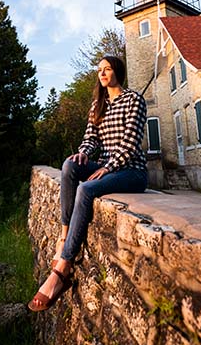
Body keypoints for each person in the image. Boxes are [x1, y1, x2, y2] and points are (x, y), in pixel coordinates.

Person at [28, 56, 148, 312]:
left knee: (86, 189)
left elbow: (131, 141)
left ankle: (63, 267)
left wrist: (108, 167)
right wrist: (83, 152)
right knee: (70, 165)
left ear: (118, 71)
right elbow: (90, 138)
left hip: (131, 171)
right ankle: (64, 237)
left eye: (107, 68)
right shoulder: (98, 104)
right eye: (99, 70)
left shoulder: (133, 100)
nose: (102, 73)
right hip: (106, 166)